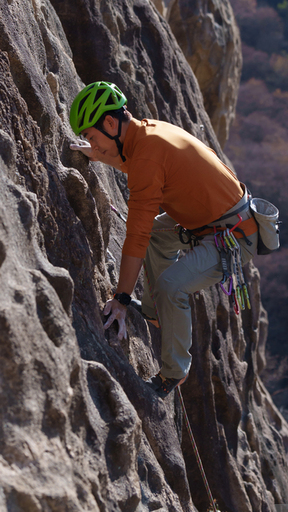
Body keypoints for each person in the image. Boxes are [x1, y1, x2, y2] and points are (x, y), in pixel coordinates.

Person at [69, 81, 258, 398]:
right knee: (159, 235)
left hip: (234, 236)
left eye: (92, 136)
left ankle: (172, 375)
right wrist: (100, 155)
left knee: (173, 284)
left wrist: (122, 299)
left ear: (111, 123)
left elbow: (137, 233)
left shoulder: (147, 154)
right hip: (215, 219)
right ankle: (157, 311)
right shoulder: (148, 133)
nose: (93, 144)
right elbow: (138, 164)